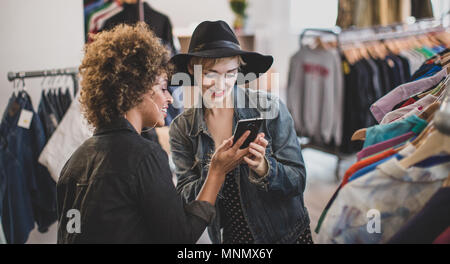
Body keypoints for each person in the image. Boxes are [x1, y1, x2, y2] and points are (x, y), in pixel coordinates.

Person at [56, 23, 251, 243]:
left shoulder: (75, 160)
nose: (169, 98)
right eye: (162, 88)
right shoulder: (144, 157)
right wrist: (216, 172)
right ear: (136, 90)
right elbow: (179, 237)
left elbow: (69, 233)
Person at [169, 20, 313, 244]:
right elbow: (185, 199)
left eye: (230, 73)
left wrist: (264, 167)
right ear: (192, 69)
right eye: (210, 73)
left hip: (286, 236)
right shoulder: (182, 129)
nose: (221, 84)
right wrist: (216, 171)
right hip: (234, 240)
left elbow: (298, 179)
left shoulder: (270, 110)